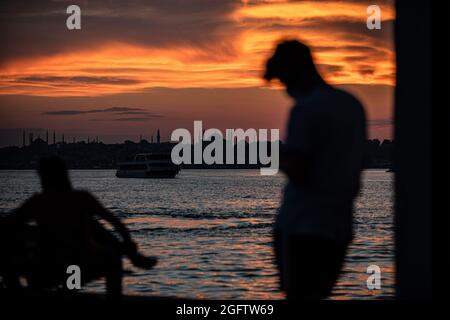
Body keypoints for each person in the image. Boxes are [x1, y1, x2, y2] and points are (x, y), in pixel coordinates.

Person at [265, 40, 367, 299]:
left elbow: (299, 169)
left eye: (283, 80)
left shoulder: (306, 108)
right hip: (339, 227)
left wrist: (279, 157)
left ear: (294, 72)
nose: (285, 89)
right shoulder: (352, 105)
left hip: (301, 226)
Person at [0, 156, 157, 297]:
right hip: (81, 265)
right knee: (112, 259)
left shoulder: (37, 202)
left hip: (48, 269)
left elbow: (8, 225)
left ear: (43, 177)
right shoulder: (81, 198)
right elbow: (115, 222)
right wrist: (128, 244)